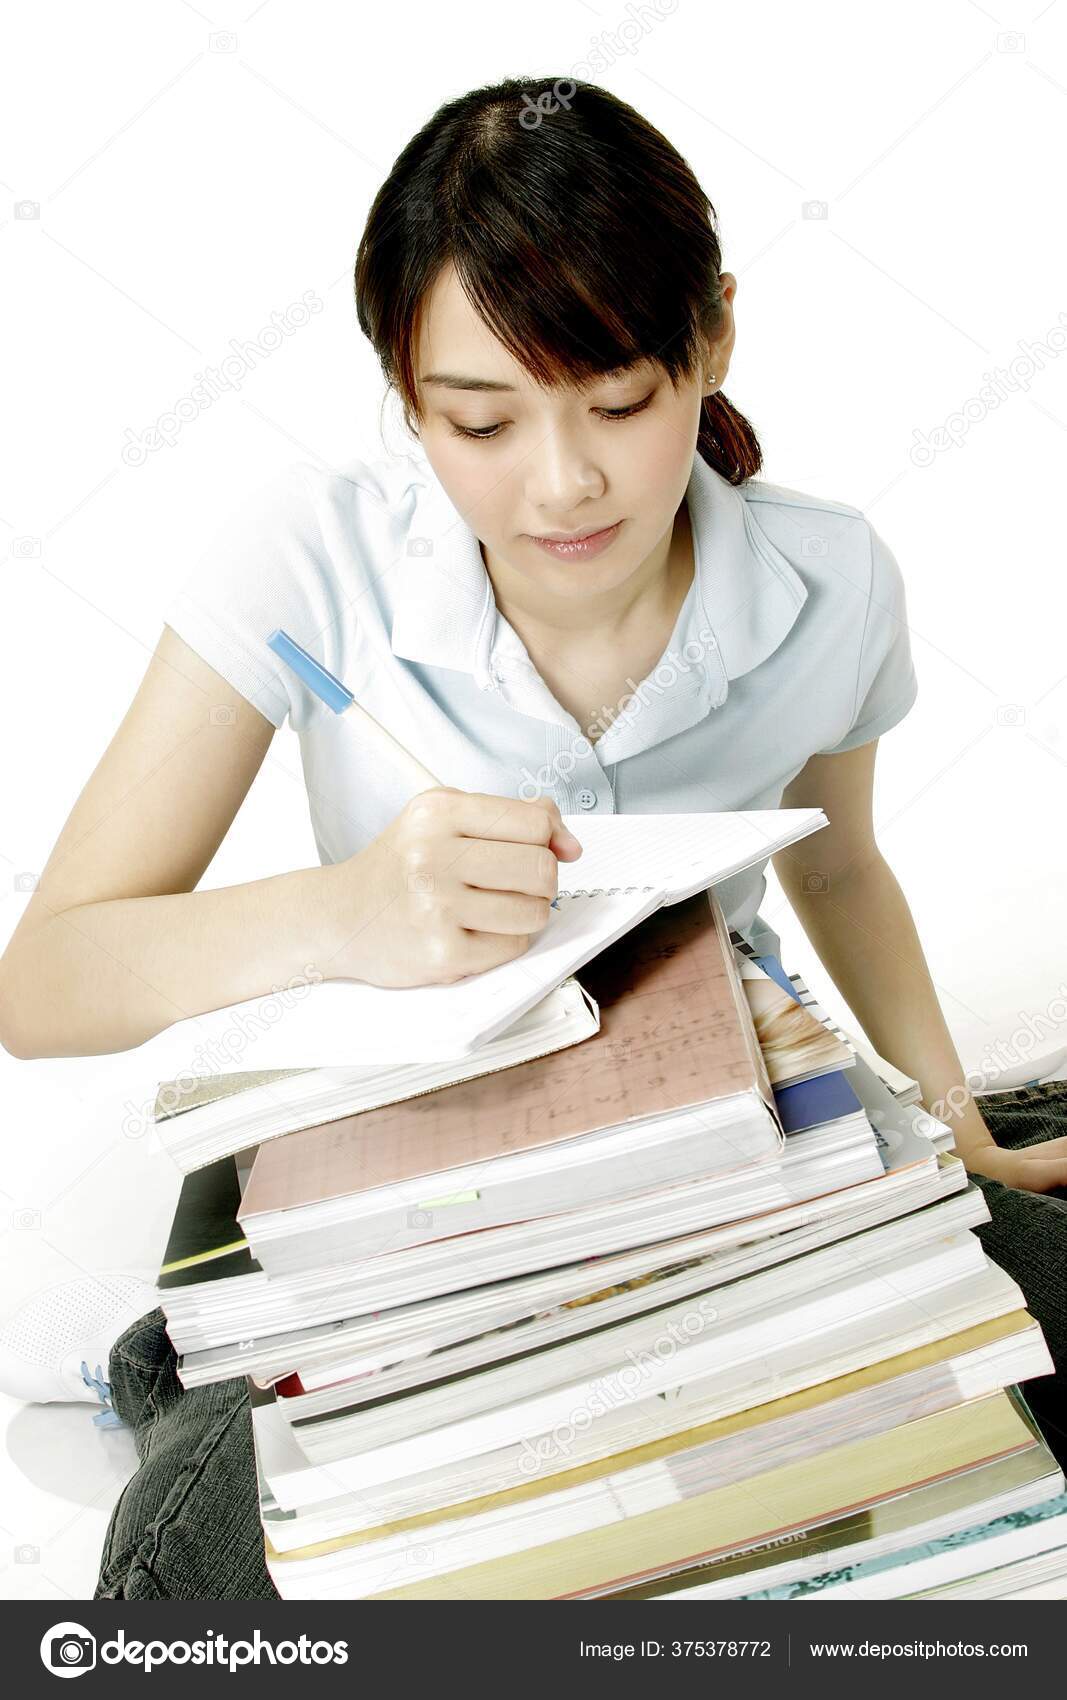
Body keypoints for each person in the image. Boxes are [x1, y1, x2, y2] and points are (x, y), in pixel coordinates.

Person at [0, 75, 1064, 1601]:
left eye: (620, 402)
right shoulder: (312, 554)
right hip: (382, 1160)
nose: (561, 483)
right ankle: (175, 1362)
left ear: (711, 341)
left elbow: (839, 866)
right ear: (404, 392)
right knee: (222, 1580)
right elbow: (41, 985)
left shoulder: (832, 582)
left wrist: (956, 1121)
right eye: (480, 421)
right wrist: (348, 915)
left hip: (718, 1115)